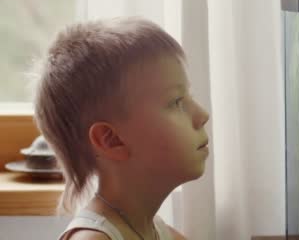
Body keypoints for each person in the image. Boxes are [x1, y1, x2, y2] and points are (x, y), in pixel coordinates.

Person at [32, 17, 210, 240]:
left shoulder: (162, 234)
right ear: (111, 140)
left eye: (189, 97)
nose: (202, 115)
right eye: (176, 101)